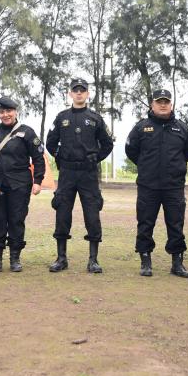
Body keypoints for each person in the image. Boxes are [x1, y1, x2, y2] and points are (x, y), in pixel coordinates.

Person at [125, 88, 188, 278]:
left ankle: (177, 263)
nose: (163, 105)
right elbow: (131, 150)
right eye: (159, 102)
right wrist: (145, 166)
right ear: (152, 104)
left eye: (166, 101)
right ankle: (145, 261)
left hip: (174, 186)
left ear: (171, 104)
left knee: (176, 224)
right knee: (145, 223)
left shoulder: (181, 128)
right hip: (148, 186)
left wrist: (176, 167)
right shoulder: (141, 127)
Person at [46, 78, 114, 273]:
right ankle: (61, 258)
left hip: (88, 173)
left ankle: (93, 260)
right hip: (67, 172)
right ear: (70, 93)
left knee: (92, 214)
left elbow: (107, 144)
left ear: (87, 93)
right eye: (75, 90)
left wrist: (96, 158)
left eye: (82, 90)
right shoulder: (61, 117)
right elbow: (51, 142)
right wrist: (60, 156)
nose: (79, 93)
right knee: (62, 213)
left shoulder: (95, 118)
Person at [0, 96, 45, 272]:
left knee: (16, 220)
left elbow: (38, 157)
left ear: (15, 112)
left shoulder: (26, 132)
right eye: (2, 112)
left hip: (19, 184)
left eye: (9, 111)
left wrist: (38, 181)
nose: (5, 115)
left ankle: (15, 258)